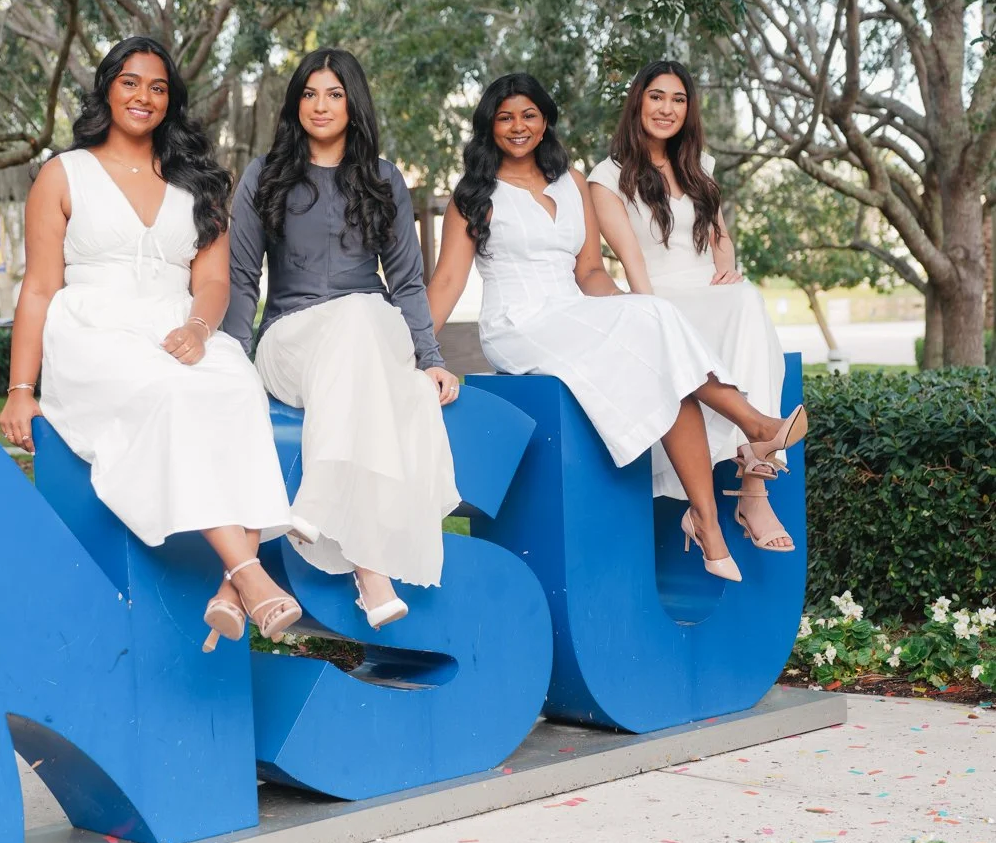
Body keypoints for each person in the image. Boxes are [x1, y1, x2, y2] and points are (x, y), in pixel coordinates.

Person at [425, 73, 806, 582]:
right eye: (505, 117)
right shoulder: (475, 194)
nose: (518, 127)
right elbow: (448, 281)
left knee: (657, 332)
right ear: (489, 125)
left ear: (545, 123)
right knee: (655, 329)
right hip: (519, 323)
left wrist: (634, 314)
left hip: (572, 309)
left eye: (529, 115)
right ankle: (756, 427)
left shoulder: (572, 181)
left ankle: (707, 518)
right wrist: (416, 349)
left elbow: (590, 273)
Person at [0, 35, 302, 651]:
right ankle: (248, 573)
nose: (144, 97)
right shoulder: (63, 174)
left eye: (158, 87)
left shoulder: (201, 182)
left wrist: (197, 328)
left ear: (172, 100)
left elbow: (214, 281)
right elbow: (37, 289)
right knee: (170, 394)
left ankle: (227, 589)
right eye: (131, 82)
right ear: (107, 88)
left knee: (238, 388)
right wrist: (19, 390)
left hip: (178, 325)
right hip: (92, 329)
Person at [223, 48, 459, 627]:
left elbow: (405, 281)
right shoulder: (265, 175)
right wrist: (228, 359)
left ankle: (344, 541)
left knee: (361, 315)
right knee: (359, 334)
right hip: (292, 341)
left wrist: (428, 356)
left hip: (373, 332)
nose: (321, 105)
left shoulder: (383, 179)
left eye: (334, 94)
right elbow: (241, 278)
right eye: (309, 93)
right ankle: (369, 572)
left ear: (353, 103)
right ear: (295, 103)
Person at [588, 60, 795, 552]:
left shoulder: (699, 167)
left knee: (744, 297)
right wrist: (650, 314)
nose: (667, 108)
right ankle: (755, 484)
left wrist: (728, 270)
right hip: (661, 296)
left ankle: (753, 483)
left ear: (689, 109)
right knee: (744, 305)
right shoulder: (606, 176)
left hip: (713, 292)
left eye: (678, 99)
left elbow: (719, 237)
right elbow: (631, 259)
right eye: (657, 96)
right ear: (638, 101)